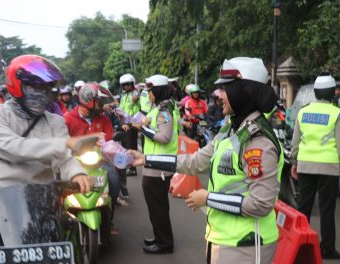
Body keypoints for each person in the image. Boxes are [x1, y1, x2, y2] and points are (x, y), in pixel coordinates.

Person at [129, 57, 283, 264]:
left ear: (244, 91)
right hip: (223, 239)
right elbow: (196, 161)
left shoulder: (258, 141)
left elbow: (260, 203)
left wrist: (208, 198)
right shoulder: (231, 129)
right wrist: (147, 159)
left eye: (226, 89)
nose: (219, 96)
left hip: (246, 244)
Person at [0, 54, 93, 263]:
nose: (41, 94)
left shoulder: (56, 122)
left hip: (44, 199)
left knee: (75, 232)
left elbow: (65, 159)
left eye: (46, 88)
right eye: (35, 87)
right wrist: (61, 145)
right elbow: (12, 147)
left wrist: (77, 172)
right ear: (17, 85)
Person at [290, 74, 340, 259]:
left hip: (305, 165)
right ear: (331, 93)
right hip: (329, 166)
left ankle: (298, 244)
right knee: (327, 209)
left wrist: (294, 163)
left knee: (303, 207)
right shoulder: (336, 113)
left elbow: (295, 142)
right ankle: (327, 248)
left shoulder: (303, 111)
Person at [64, 82, 121, 234]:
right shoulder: (68, 119)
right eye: (99, 102)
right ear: (88, 100)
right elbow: (62, 143)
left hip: (98, 162)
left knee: (114, 180)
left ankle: (109, 218)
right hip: (73, 163)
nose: (102, 106)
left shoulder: (103, 119)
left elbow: (109, 140)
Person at [131, 74, 178, 254]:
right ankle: (161, 237)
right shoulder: (158, 108)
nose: (148, 94)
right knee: (158, 205)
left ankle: (164, 243)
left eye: (150, 91)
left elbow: (164, 138)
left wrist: (142, 128)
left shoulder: (164, 111)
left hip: (159, 167)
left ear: (157, 91)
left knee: (157, 206)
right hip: (154, 163)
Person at [119, 73, 140, 177]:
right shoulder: (123, 96)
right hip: (125, 123)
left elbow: (138, 102)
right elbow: (121, 109)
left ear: (132, 84)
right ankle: (128, 165)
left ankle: (132, 168)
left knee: (131, 146)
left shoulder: (135, 94)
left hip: (132, 123)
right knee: (125, 146)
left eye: (128, 84)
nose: (126, 86)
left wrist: (137, 98)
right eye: (124, 84)